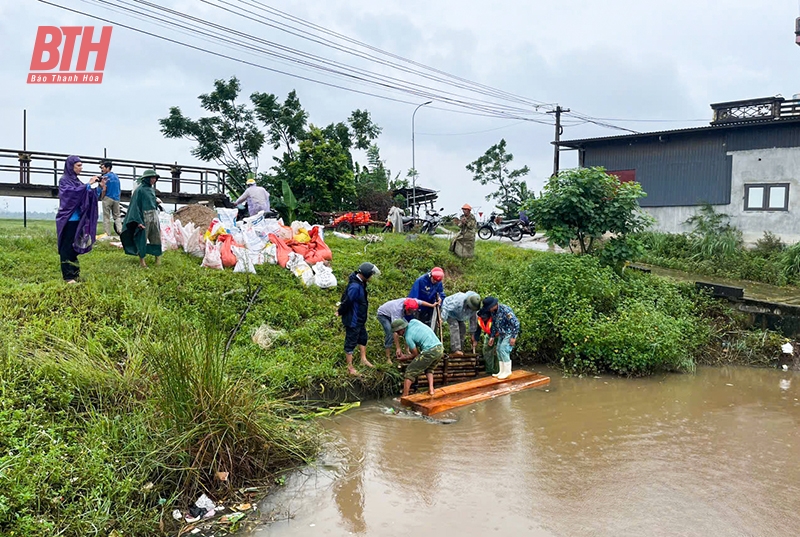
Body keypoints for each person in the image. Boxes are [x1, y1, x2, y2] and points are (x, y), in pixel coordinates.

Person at [55, 155, 104, 283]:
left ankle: (75, 273)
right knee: (66, 247)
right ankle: (68, 276)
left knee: (74, 246)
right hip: (68, 219)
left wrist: (99, 188)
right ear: (71, 166)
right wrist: (88, 184)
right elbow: (71, 194)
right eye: (78, 165)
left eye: (81, 165)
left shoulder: (76, 181)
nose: (81, 168)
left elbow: (86, 194)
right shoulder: (64, 181)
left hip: (78, 220)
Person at [338, 262, 380, 375]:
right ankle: (350, 367)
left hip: (360, 319)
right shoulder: (355, 286)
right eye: (371, 275)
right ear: (366, 274)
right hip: (353, 319)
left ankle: (363, 359)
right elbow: (347, 301)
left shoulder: (361, 282)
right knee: (351, 341)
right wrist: (340, 311)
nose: (371, 277)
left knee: (363, 338)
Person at [120, 169, 162, 268]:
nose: (153, 180)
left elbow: (150, 203)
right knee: (142, 239)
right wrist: (138, 221)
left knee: (156, 238)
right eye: (151, 178)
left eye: (155, 178)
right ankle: (142, 262)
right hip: (144, 217)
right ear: (146, 179)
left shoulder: (151, 190)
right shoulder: (139, 190)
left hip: (154, 217)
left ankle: (158, 259)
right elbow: (135, 206)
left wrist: (156, 202)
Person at [393, 318, 444, 397]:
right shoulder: (413, 321)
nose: (398, 334)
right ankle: (431, 389)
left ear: (401, 330)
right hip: (440, 348)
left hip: (430, 351)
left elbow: (416, 355)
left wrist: (405, 358)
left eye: (397, 332)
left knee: (410, 371)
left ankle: (404, 396)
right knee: (429, 368)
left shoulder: (408, 337)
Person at [376, 297, 435, 363]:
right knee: (390, 333)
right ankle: (388, 358)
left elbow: (421, 302)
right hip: (383, 314)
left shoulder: (411, 302)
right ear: (406, 308)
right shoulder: (397, 310)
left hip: (393, 312)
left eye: (412, 311)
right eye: (410, 311)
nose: (411, 313)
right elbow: (396, 330)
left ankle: (407, 350)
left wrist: (432, 305)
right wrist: (398, 348)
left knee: (407, 327)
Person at [477, 296, 520, 380]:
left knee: (504, 349)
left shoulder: (505, 310)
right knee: (498, 350)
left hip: (509, 333)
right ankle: (502, 371)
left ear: (494, 305)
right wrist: (492, 336)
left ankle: (507, 371)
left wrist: (513, 337)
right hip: (501, 333)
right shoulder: (493, 312)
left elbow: (516, 323)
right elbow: (494, 325)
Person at [441, 291, 481, 356]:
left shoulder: (474, 307)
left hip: (460, 316)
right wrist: (442, 318)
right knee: (455, 326)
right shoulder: (459, 300)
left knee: (463, 328)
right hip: (451, 313)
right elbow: (446, 306)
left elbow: (473, 321)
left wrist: (473, 335)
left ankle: (460, 349)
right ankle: (455, 350)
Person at [99, 160, 121, 237]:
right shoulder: (116, 177)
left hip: (108, 197)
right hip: (116, 198)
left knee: (106, 217)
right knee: (117, 216)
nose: (102, 170)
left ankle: (107, 234)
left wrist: (102, 197)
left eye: (103, 168)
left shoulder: (105, 177)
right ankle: (120, 231)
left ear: (108, 168)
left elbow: (104, 189)